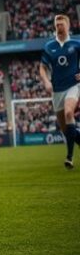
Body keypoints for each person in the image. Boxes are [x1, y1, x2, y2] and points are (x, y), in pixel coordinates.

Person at [38, 14, 80, 169]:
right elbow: (42, 68)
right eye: (57, 24)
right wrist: (46, 81)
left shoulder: (77, 43)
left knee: (69, 113)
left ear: (68, 26)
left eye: (62, 24)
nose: (59, 26)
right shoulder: (49, 46)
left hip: (74, 85)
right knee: (66, 129)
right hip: (56, 90)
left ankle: (69, 158)